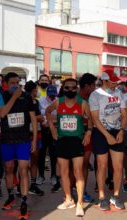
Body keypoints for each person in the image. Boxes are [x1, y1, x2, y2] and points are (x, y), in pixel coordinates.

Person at [46, 78, 92, 217]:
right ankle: (68, 199)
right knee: (63, 172)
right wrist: (52, 129)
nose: (70, 90)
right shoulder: (58, 102)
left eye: (73, 88)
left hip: (76, 141)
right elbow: (48, 112)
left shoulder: (82, 104)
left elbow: (90, 119)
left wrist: (89, 132)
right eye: (67, 88)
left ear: (77, 89)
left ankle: (79, 203)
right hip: (62, 140)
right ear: (63, 89)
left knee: (78, 171)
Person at [0, 72, 37, 220]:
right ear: (5, 84)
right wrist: (14, 96)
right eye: (12, 82)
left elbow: (33, 119)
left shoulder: (26, 97)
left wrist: (34, 140)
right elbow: (2, 114)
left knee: (23, 169)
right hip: (7, 139)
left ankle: (24, 200)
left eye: (17, 82)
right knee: (9, 168)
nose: (15, 85)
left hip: (23, 139)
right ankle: (11, 195)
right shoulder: (0, 96)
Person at [89, 70, 127, 211]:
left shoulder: (119, 93)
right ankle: (101, 196)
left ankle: (116, 195)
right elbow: (95, 119)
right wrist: (107, 135)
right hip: (100, 133)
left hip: (117, 131)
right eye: (112, 81)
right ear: (104, 81)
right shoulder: (95, 95)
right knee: (102, 166)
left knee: (118, 166)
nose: (115, 84)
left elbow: (124, 115)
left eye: (116, 81)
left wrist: (122, 130)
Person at [78, 73, 98, 202]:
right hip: (73, 136)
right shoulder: (73, 97)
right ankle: (69, 192)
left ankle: (83, 191)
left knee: (84, 164)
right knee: (72, 165)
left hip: (88, 134)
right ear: (86, 86)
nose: (95, 88)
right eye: (93, 85)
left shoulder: (94, 99)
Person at [24, 81, 45, 197]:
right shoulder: (22, 101)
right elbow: (23, 118)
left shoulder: (36, 102)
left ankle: (33, 183)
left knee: (35, 159)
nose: (37, 91)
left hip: (37, 133)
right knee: (24, 161)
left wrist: (41, 119)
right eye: (36, 90)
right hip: (26, 134)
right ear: (31, 90)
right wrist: (36, 118)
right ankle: (22, 184)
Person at [39, 85, 61, 191]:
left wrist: (50, 120)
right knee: (41, 153)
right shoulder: (41, 100)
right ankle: (41, 176)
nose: (52, 97)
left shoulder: (58, 101)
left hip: (54, 129)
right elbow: (39, 115)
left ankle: (53, 176)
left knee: (53, 153)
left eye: (53, 95)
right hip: (43, 130)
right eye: (50, 95)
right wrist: (48, 119)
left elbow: (59, 117)